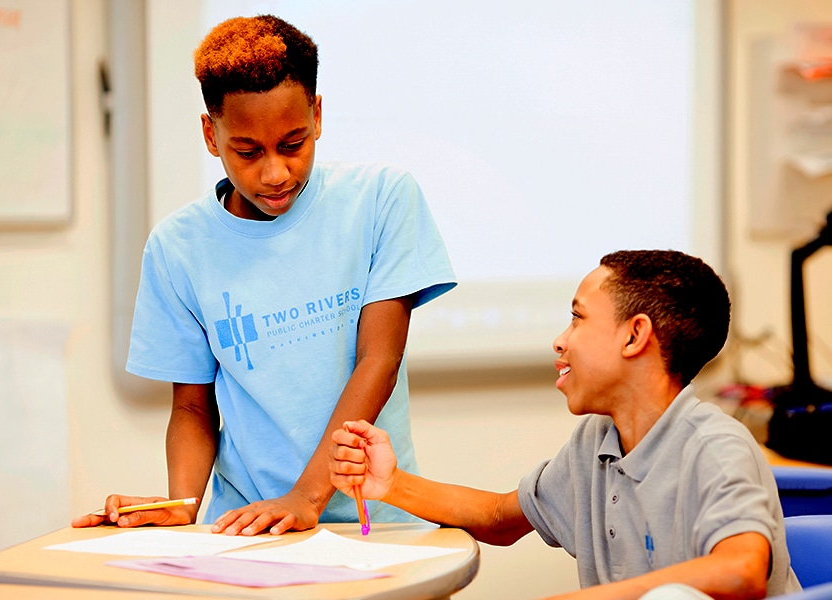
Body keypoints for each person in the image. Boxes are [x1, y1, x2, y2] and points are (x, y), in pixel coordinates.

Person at [72, 14, 455, 535]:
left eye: (293, 144)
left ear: (317, 116)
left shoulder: (381, 201)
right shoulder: (176, 248)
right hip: (248, 527)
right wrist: (183, 504)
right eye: (247, 152)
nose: (275, 173)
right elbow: (192, 408)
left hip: (378, 522)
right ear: (211, 134)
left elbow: (378, 361)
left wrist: (305, 497)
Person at [331, 250, 801, 599]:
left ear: (635, 335)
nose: (560, 341)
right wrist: (389, 483)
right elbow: (500, 518)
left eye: (577, 319)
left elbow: (741, 572)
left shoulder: (715, 446)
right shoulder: (596, 444)